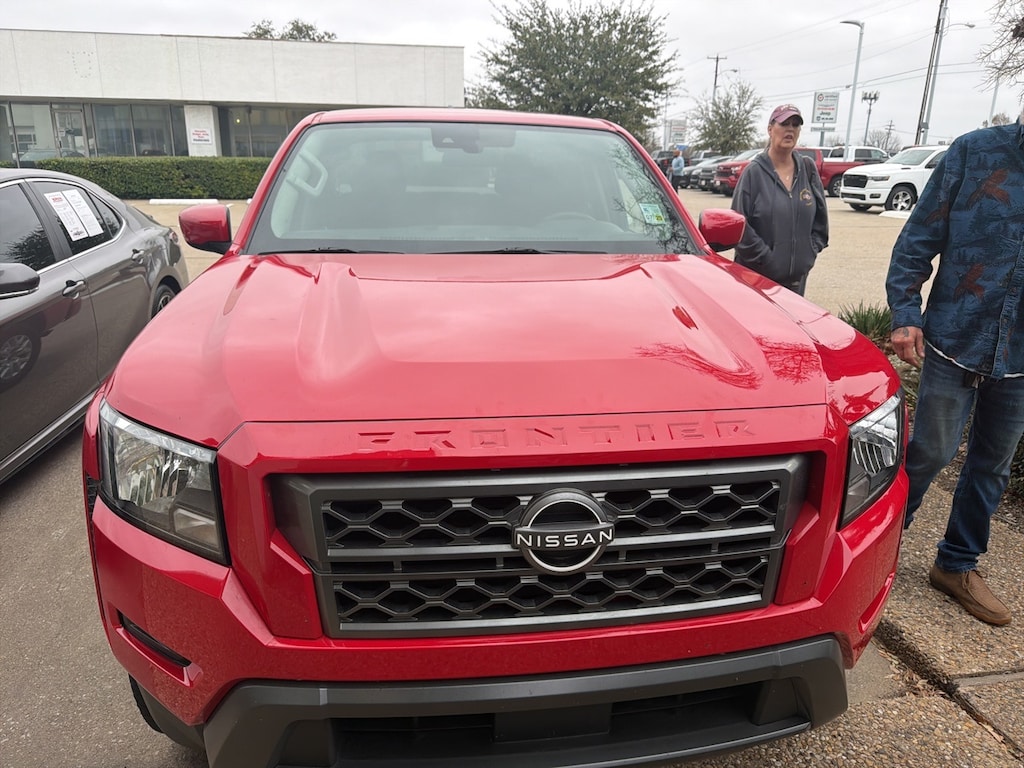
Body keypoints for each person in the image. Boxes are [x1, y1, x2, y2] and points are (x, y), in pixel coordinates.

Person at [886, 115, 1024, 627]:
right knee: (928, 454)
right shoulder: (974, 152)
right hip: (954, 339)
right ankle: (878, 550)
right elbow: (919, 237)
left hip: (1020, 357)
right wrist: (905, 314)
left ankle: (957, 565)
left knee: (992, 466)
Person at [730, 104, 828, 296]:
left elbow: (821, 224)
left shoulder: (807, 169)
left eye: (795, 125)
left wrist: (806, 255)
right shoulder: (754, 173)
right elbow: (739, 228)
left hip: (796, 285)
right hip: (757, 282)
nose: (790, 129)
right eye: (784, 124)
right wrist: (769, 261)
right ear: (770, 129)